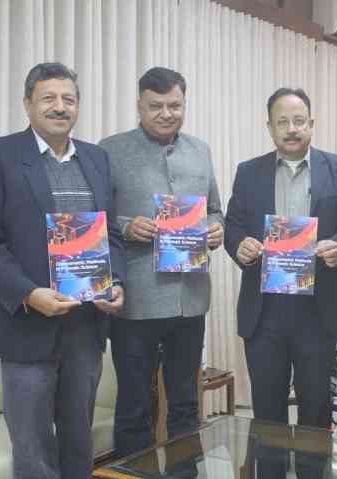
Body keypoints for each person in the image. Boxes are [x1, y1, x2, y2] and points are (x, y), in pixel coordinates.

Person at [0, 62, 126, 479]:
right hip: (25, 326)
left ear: (78, 106)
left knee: (78, 441)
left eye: (68, 99)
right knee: (32, 449)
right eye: (48, 98)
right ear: (28, 103)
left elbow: (109, 234)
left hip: (84, 327)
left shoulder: (96, 158)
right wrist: (28, 294)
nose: (59, 107)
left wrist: (116, 283)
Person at [224, 87, 337, 479]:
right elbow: (234, 225)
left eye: (299, 120)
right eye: (283, 121)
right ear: (269, 126)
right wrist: (241, 245)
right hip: (264, 310)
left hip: (316, 313)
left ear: (312, 122)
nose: (292, 129)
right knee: (267, 409)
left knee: (315, 407)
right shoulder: (248, 172)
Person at [100, 67, 224, 457]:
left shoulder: (200, 149)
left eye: (175, 105)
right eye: (156, 106)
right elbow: (94, 218)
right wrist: (126, 226)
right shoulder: (110, 150)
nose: (166, 113)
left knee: (186, 404)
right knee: (135, 405)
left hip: (189, 300)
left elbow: (216, 210)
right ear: (139, 105)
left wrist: (217, 229)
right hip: (134, 301)